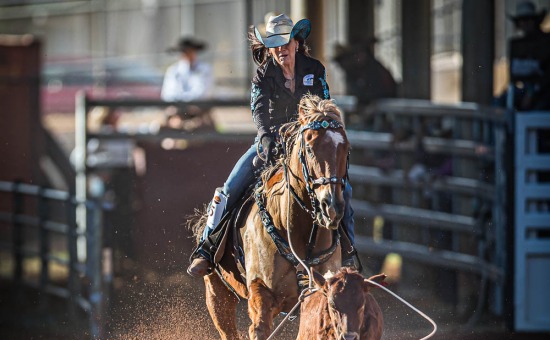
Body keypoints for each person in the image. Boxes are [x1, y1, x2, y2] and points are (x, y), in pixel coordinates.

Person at [188, 13, 358, 277]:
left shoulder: (315, 70)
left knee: (342, 190)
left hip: (308, 145)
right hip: (270, 143)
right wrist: (266, 135)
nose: (281, 48)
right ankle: (206, 248)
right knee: (230, 188)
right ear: (269, 49)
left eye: (285, 42)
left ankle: (348, 252)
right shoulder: (263, 75)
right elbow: (258, 110)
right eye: (275, 44)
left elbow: (324, 105)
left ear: (296, 43)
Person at [504, 1, 550, 110]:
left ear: (535, 21)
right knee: (499, 105)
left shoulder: (546, 42)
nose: (525, 24)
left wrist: (532, 91)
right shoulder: (515, 44)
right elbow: (512, 76)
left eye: (528, 20)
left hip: (544, 93)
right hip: (521, 91)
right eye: (522, 21)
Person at [333, 38, 397, 108]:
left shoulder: (374, 68)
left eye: (359, 53)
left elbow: (380, 93)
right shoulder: (354, 72)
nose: (357, 57)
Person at [161, 36, 213, 102]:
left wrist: (188, 102)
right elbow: (168, 94)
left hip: (199, 105)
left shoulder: (204, 69)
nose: (187, 55)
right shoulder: (173, 70)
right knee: (171, 110)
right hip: (178, 106)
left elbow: (204, 93)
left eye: (190, 52)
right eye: (184, 52)